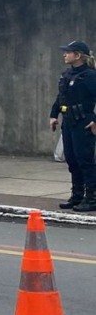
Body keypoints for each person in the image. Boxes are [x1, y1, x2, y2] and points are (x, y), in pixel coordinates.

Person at [51, 41, 96, 210]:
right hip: (68, 122)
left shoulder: (90, 76)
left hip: (84, 123)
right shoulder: (67, 75)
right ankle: (77, 196)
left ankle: (92, 198)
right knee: (71, 159)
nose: (64, 55)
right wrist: (53, 115)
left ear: (78, 56)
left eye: (68, 52)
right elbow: (61, 97)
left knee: (85, 160)